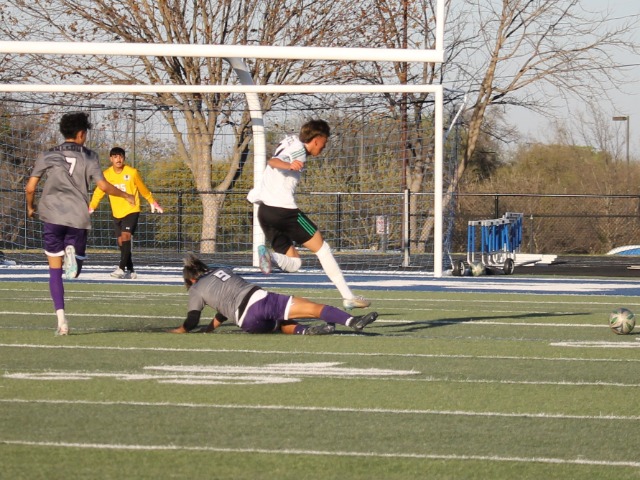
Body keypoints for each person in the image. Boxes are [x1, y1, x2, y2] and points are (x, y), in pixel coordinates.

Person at [25, 112, 135, 336]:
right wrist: (125, 195)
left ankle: (62, 321)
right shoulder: (90, 156)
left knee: (54, 272)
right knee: (74, 273)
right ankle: (72, 255)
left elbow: (30, 187)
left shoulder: (47, 154)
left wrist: (30, 207)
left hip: (52, 216)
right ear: (81, 134)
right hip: (77, 218)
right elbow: (103, 186)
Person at [247, 119, 371, 312]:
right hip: (284, 212)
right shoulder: (299, 151)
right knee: (323, 249)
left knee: (295, 263)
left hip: (265, 212)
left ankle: (271, 257)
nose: (324, 147)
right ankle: (348, 297)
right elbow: (273, 162)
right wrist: (289, 165)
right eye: (324, 142)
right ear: (316, 139)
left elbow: (276, 158)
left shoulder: (290, 141)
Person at [169, 254, 378, 335]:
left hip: (247, 322)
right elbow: (228, 300)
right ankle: (352, 321)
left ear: (191, 280)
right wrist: (207, 328)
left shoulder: (196, 288)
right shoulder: (222, 270)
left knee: (279, 324)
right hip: (260, 299)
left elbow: (193, 320)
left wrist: (182, 330)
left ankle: (305, 331)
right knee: (313, 308)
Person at [89, 146, 163, 279]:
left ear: (124, 158)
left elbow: (143, 188)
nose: (118, 159)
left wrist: (152, 201)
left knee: (126, 236)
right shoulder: (106, 175)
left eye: (121, 156)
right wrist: (92, 206)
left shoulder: (132, 172)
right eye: (115, 157)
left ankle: (121, 268)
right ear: (111, 159)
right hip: (117, 212)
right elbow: (98, 192)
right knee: (121, 242)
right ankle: (131, 270)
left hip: (131, 209)